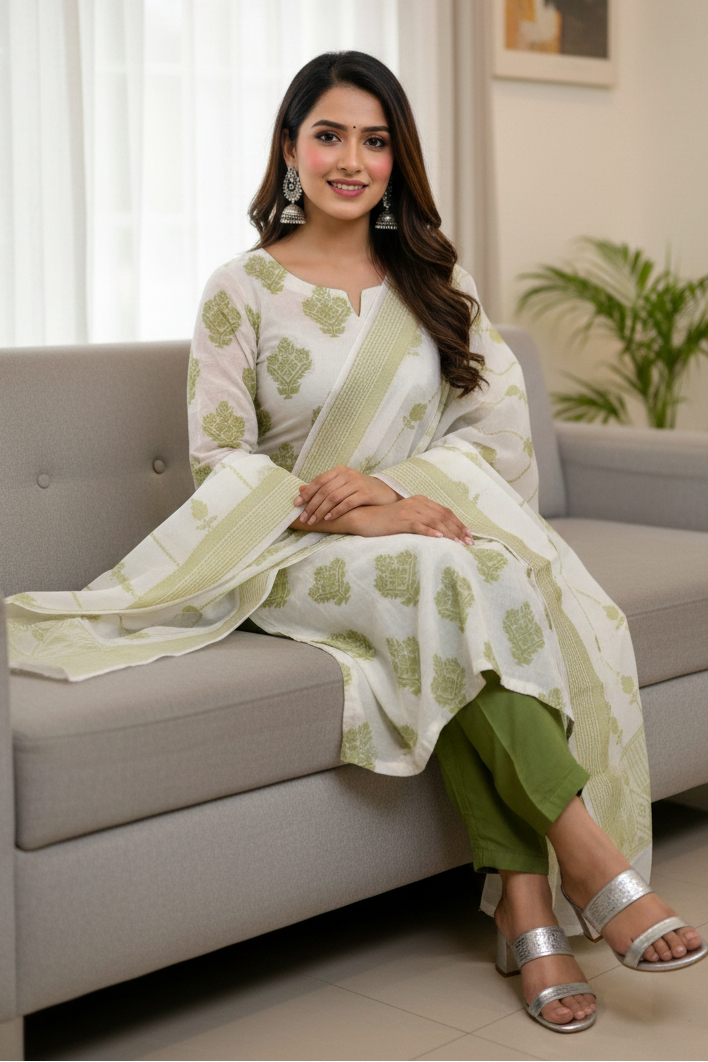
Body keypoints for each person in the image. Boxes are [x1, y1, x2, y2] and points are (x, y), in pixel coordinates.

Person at [7, 51, 706, 1032]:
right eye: (329, 134)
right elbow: (220, 465)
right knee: (454, 577)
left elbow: (496, 435)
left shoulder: (433, 278)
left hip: (419, 544)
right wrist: (371, 515)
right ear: (290, 150)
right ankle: (585, 852)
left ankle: (528, 905)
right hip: (279, 552)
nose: (353, 159)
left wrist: (391, 489)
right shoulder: (240, 290)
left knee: (469, 576)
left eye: (375, 140)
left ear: (397, 158)